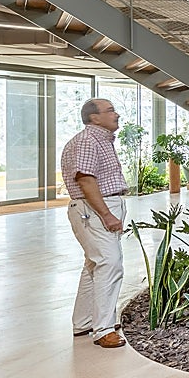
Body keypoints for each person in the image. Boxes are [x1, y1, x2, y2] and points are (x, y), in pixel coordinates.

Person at [60, 98, 128, 348]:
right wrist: (107, 215)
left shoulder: (99, 140)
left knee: (94, 264)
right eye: (110, 110)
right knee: (110, 264)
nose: (117, 114)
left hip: (97, 208)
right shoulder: (89, 140)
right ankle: (104, 329)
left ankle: (85, 322)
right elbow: (86, 180)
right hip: (94, 210)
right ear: (94, 118)